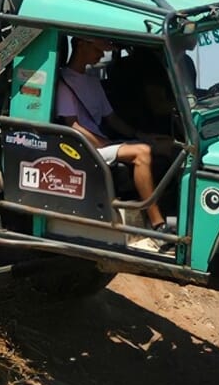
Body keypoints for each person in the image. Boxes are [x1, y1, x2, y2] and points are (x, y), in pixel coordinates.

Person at [55, 37, 174, 236]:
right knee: (142, 153)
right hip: (85, 148)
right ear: (82, 44)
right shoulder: (64, 83)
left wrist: (142, 135)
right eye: (98, 48)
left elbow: (112, 118)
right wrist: (102, 143)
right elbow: (73, 126)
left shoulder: (92, 81)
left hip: (104, 143)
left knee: (168, 146)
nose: (102, 54)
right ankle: (157, 224)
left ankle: (171, 213)